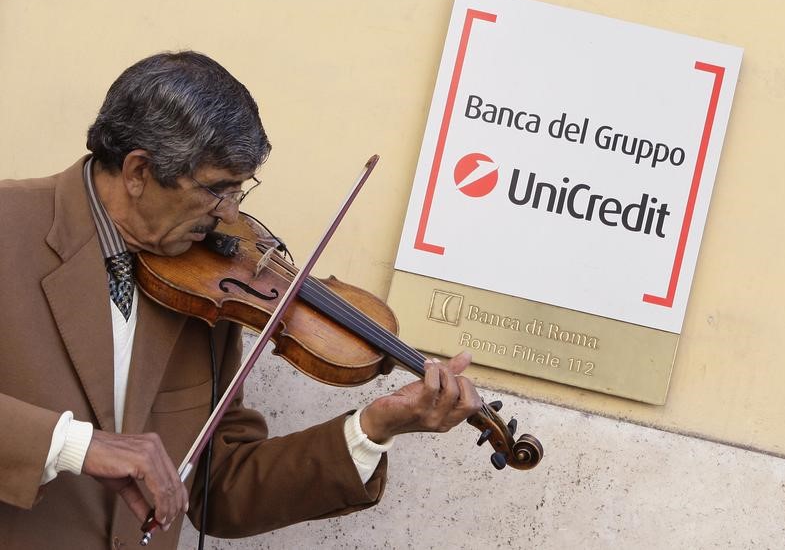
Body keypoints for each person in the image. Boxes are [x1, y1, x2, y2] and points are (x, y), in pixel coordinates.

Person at [0, 51, 481, 549]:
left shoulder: (206, 289)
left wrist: (373, 427)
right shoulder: (8, 224)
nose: (229, 215)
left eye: (239, 191)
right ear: (139, 171)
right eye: (216, 190)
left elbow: (218, 488)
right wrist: (73, 445)